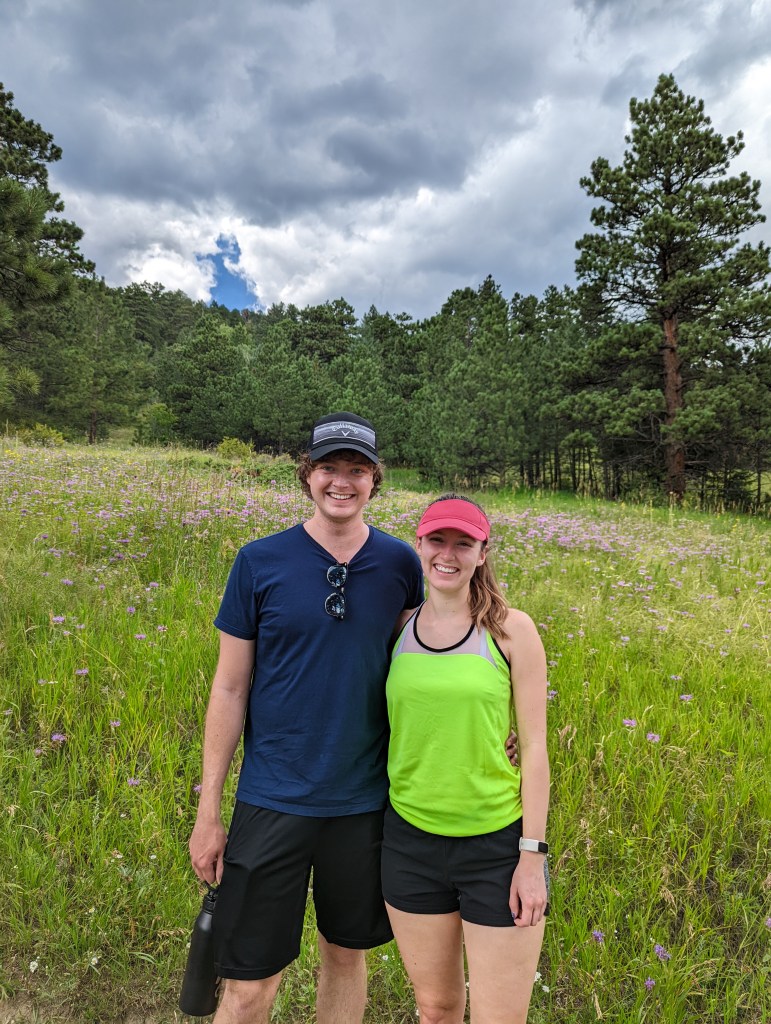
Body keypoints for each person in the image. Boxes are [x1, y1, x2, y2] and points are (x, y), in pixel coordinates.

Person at [189, 412, 424, 1024]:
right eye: (328, 468)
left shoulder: (402, 566)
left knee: (345, 957)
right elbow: (230, 687)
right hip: (272, 800)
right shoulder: (259, 561)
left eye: (356, 470)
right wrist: (208, 813)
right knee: (248, 983)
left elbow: (422, 675)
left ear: (375, 480)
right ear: (307, 475)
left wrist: (490, 732)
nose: (340, 482)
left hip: (363, 803)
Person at [382, 494, 550, 1024]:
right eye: (437, 540)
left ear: (483, 551)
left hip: (497, 849)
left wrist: (531, 858)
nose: (448, 554)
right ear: (419, 545)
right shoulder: (397, 629)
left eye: (463, 543)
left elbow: (537, 750)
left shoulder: (511, 631)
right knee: (436, 1009)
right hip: (410, 844)